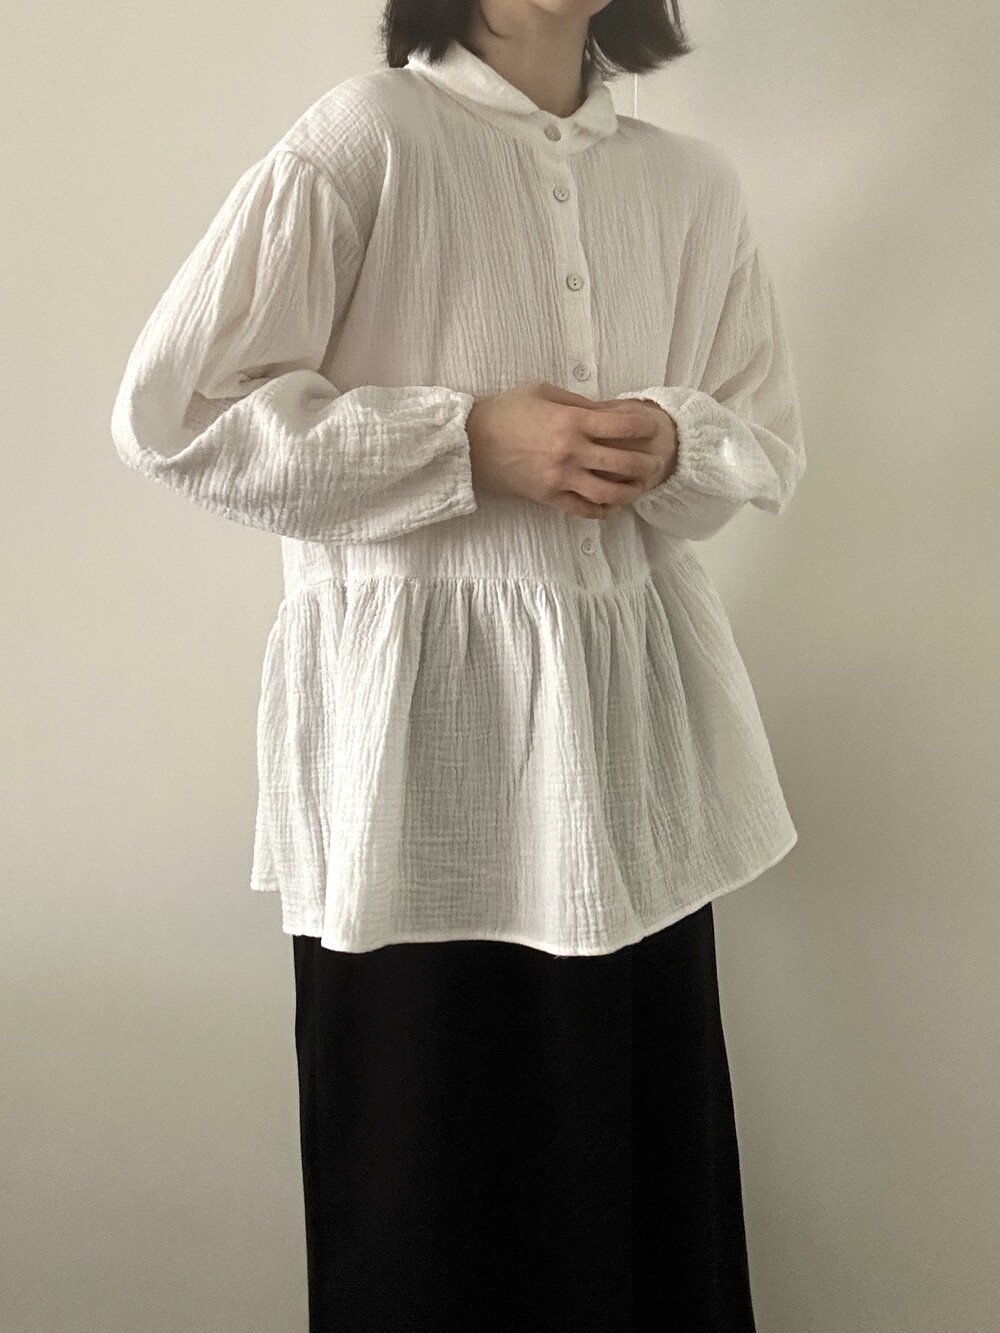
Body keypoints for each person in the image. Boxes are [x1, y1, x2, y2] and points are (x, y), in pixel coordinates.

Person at [111, 0, 806, 1327]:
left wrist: (671, 442)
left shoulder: (689, 186)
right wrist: (467, 440)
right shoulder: (367, 140)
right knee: (422, 1202)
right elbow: (179, 412)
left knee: (639, 1198)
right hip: (411, 785)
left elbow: (759, 441)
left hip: (627, 782)